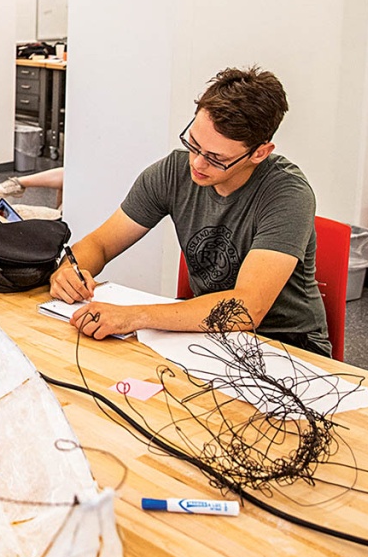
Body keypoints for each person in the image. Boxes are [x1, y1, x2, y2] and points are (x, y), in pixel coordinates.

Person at [50, 67, 331, 357]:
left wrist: (135, 316)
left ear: (259, 153)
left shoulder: (288, 194)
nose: (197, 163)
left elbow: (246, 309)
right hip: (210, 338)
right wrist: (71, 271)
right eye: (193, 144)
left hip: (289, 346)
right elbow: (101, 244)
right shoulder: (173, 172)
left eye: (216, 158)